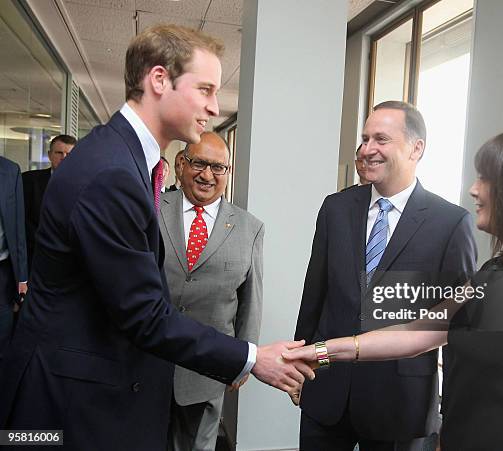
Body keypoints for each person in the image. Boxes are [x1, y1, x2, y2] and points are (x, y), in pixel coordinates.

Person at [0, 25, 312, 451]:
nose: (214, 107)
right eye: (205, 89)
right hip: (64, 406)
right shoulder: (111, 173)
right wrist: (253, 358)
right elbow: (145, 315)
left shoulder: (122, 159)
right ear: (159, 79)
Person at [286, 127, 503, 451]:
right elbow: (418, 333)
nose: (474, 190)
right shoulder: (497, 270)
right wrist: (321, 351)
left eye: (486, 179)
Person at [294, 101, 477, 450]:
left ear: (416, 148)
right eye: (364, 139)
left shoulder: (451, 223)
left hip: (401, 403)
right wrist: (302, 365)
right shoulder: (336, 208)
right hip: (328, 392)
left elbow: (457, 326)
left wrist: (452, 412)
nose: (367, 149)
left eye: (381, 139)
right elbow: (314, 296)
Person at [160, 133, 263, 451]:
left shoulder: (250, 227)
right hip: (146, 361)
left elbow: (251, 300)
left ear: (228, 172)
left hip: (207, 366)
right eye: (199, 163)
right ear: (181, 164)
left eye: (218, 167)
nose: (207, 175)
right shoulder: (150, 209)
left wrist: (244, 357)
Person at [22, 134, 76, 270]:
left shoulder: (87, 185)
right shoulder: (28, 181)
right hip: (34, 257)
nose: (64, 157)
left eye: (69, 154)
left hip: (70, 261)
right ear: (49, 155)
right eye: (59, 153)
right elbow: (21, 220)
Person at [0, 156, 27, 359]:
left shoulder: (10, 170)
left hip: (4, 273)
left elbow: (18, 228)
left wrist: (22, 277)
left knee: (4, 337)